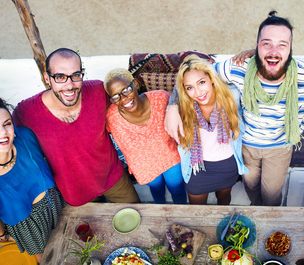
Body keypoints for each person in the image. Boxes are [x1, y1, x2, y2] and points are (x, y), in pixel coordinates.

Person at [0, 48, 140, 208]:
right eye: (60, 77)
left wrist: (167, 107)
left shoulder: (97, 91)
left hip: (114, 179)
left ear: (82, 74)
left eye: (75, 75)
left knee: (140, 216)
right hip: (75, 194)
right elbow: (5, 144)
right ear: (47, 78)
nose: (69, 85)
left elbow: (133, 107)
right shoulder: (26, 112)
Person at [165, 11, 304, 206]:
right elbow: (194, 76)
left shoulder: (301, 75)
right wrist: (172, 107)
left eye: (282, 44)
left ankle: (270, 218)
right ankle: (257, 211)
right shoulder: (238, 68)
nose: (274, 51)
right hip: (246, 146)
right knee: (251, 188)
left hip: (279, 147)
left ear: (290, 49)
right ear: (256, 47)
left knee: (271, 196)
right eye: (267, 43)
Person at [0, 94, 66, 263]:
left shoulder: (26, 137)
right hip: (28, 226)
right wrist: (2, 234)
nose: (3, 132)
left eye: (7, 124)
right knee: (47, 260)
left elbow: (52, 154)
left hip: (54, 201)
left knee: (68, 239)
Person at [103, 68, 187, 204]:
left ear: (135, 84)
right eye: (116, 96)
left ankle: (181, 213)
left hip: (170, 157)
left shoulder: (162, 98)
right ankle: (161, 211)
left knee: (177, 188)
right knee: (157, 190)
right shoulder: (111, 117)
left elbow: (181, 107)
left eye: (126, 90)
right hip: (143, 166)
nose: (123, 99)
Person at [173, 55, 248, 205]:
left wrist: (253, 50)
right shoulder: (182, 108)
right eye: (190, 88)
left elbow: (256, 67)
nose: (198, 92)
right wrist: (171, 108)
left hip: (228, 166)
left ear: (211, 78)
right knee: (198, 211)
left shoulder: (231, 96)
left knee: (224, 201)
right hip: (197, 170)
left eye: (201, 82)